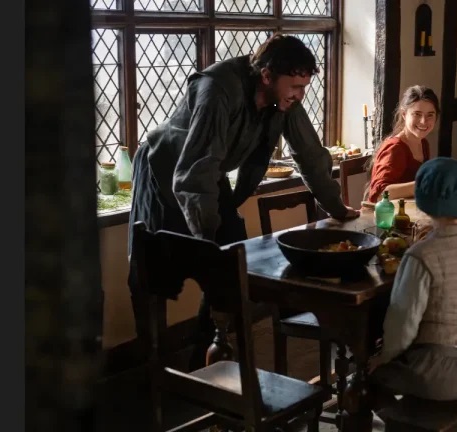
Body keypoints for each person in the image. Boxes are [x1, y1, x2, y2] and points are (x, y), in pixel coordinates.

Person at [127, 34, 359, 370]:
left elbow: (309, 154)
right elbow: (196, 170)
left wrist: (337, 208)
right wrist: (206, 237)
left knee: (232, 266)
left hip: (207, 172)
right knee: (153, 269)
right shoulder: (217, 89)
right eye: (295, 86)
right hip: (165, 169)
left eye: (304, 87)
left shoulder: (285, 100)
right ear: (266, 76)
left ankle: (202, 361)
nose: (300, 95)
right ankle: (151, 371)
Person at [368, 157, 457, 402]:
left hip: (438, 374)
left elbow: (403, 323)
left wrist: (383, 357)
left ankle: (397, 417)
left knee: (369, 375)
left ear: (423, 200)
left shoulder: (422, 255)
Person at [365, 85, 439, 202]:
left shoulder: (423, 143)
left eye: (430, 115)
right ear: (404, 114)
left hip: (408, 209)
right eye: (417, 114)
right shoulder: (395, 148)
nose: (424, 121)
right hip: (385, 212)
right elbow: (379, 194)